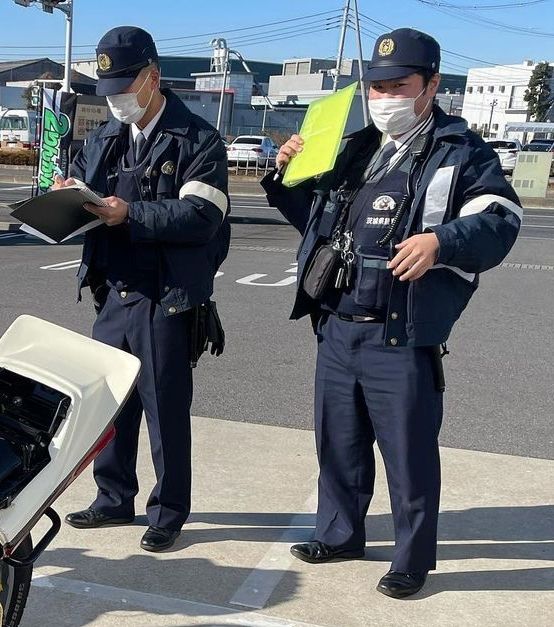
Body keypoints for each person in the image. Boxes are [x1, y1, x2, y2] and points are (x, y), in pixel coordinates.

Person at [261, 28, 522, 597]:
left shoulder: (461, 151)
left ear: (431, 84)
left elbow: (501, 218)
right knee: (338, 441)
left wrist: (443, 241)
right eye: (376, 87)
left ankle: (411, 559)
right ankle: (339, 532)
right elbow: (317, 220)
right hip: (336, 324)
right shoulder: (357, 147)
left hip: (400, 332)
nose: (384, 97)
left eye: (398, 85)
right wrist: (286, 174)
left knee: (408, 452)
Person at [60, 26, 230, 552]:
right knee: (110, 402)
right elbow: (85, 187)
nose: (114, 99)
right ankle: (113, 497)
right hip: (113, 288)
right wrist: (68, 197)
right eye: (106, 89)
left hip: (166, 296)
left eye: (122, 87)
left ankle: (169, 509)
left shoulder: (198, 139)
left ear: (152, 77)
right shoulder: (104, 137)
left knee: (164, 406)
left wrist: (130, 213)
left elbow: (202, 215)